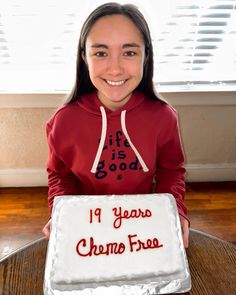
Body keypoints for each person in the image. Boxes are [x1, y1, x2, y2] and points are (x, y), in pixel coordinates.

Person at [42, 2, 189, 247]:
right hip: (87, 231)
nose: (115, 68)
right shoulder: (63, 122)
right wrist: (61, 211)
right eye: (100, 53)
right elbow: (60, 175)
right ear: (84, 57)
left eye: (129, 52)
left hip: (143, 229)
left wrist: (174, 210)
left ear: (146, 56)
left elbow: (171, 171)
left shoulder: (164, 117)